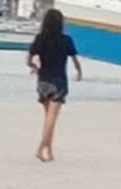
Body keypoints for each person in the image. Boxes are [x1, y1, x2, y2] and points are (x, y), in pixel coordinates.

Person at [27, 9, 82, 163]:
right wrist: (79, 72)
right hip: (59, 82)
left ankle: (49, 152)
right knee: (52, 119)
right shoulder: (66, 40)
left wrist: (34, 67)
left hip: (43, 81)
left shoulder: (40, 38)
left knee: (48, 118)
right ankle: (41, 148)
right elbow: (75, 60)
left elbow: (29, 60)